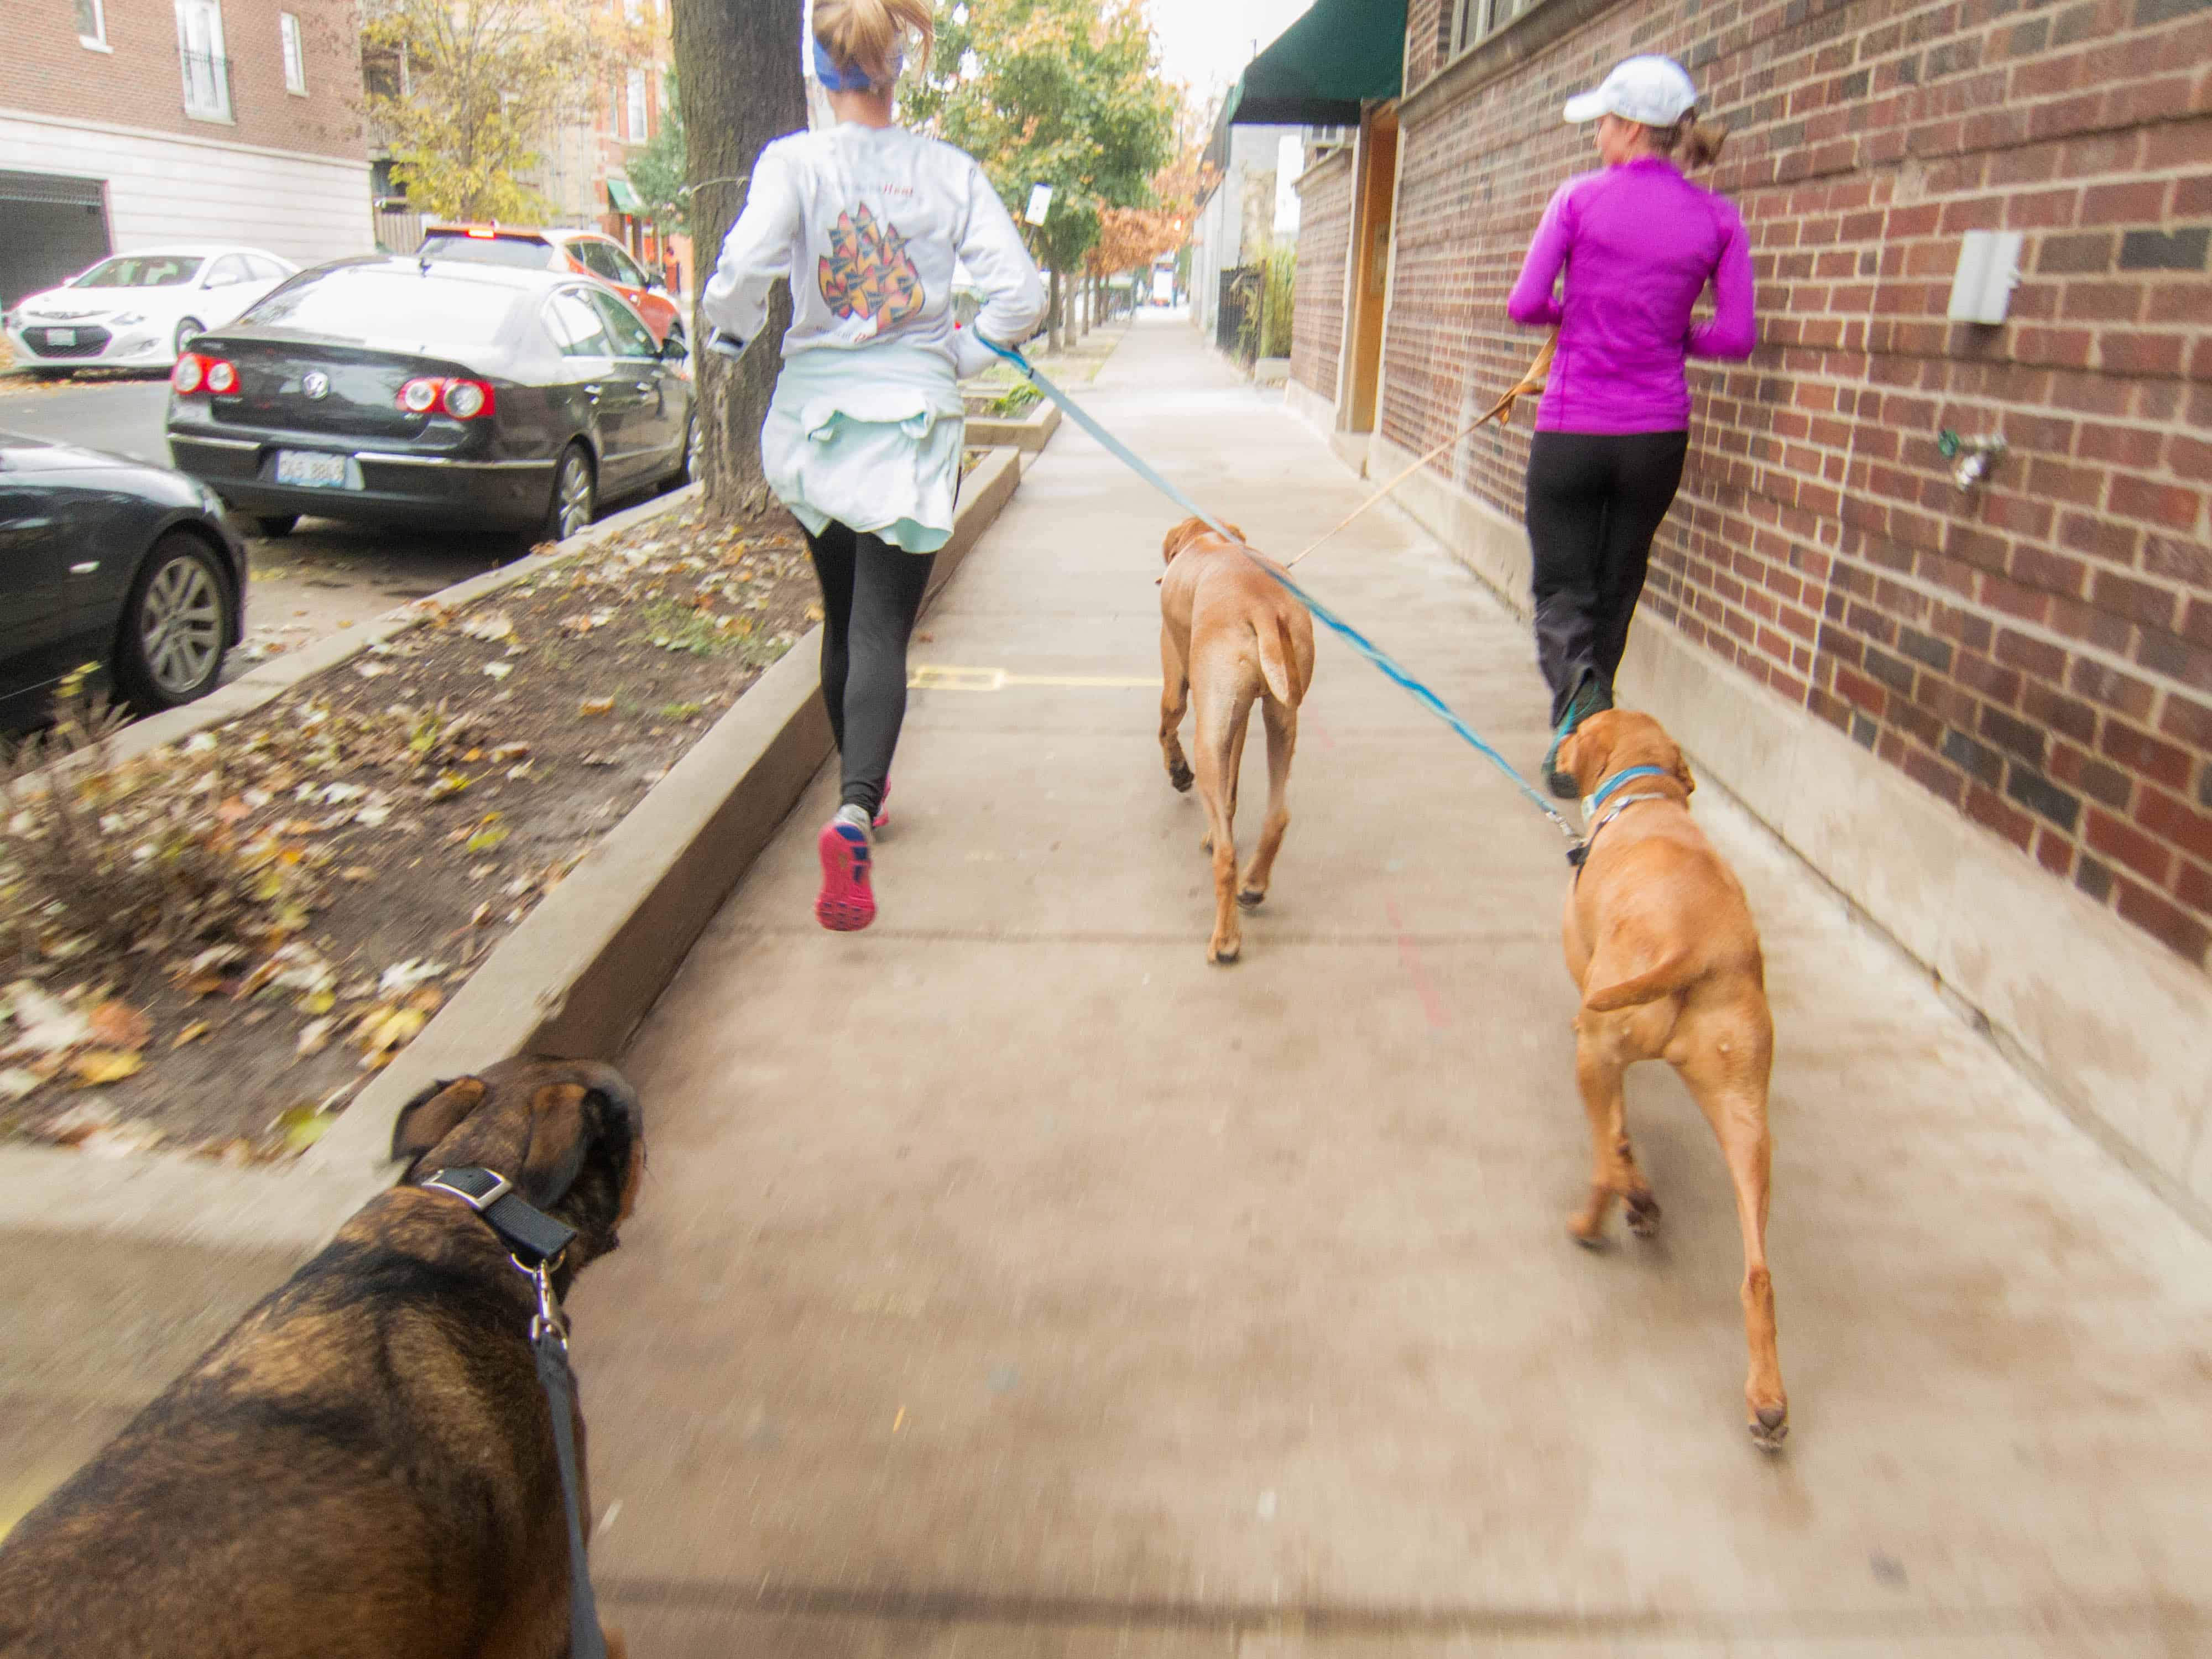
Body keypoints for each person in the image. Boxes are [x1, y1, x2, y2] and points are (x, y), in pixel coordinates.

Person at [701, 0, 1047, 930]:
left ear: (821, 73)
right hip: (910, 423)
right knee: (883, 627)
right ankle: (858, 805)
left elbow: (743, 270)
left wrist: (729, 337)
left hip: (814, 423)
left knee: (842, 614)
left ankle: (863, 793)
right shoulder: (946, 171)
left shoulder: (794, 163)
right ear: (900, 70)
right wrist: (960, 355)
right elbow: (1021, 294)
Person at [1506, 54, 1756, 797]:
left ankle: (1582, 700)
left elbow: (1525, 304)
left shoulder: (1578, 201)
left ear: (1626, 130)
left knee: (1560, 587)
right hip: (1656, 438)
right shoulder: (1718, 217)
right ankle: (1585, 738)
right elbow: (1736, 337)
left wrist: (1575, 317)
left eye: (1602, 127)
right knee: (1616, 583)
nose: (1596, 142)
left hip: (1574, 427)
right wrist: (1676, 338)